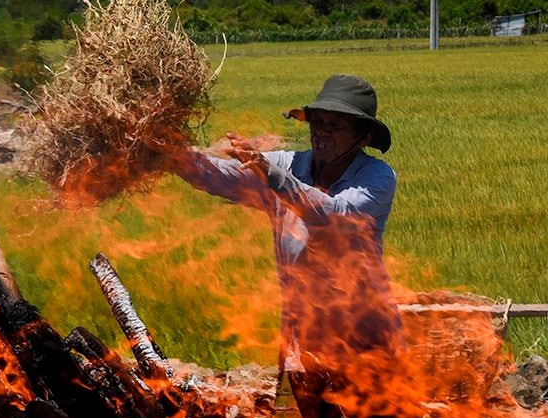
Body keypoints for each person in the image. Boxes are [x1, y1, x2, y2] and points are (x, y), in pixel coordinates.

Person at [170, 73, 402, 373]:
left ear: (364, 137)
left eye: (335, 126)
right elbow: (219, 176)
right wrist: (169, 152)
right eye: (318, 123)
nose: (322, 133)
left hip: (365, 342)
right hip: (300, 341)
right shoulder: (288, 165)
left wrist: (269, 173)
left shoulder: (377, 178)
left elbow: (332, 214)